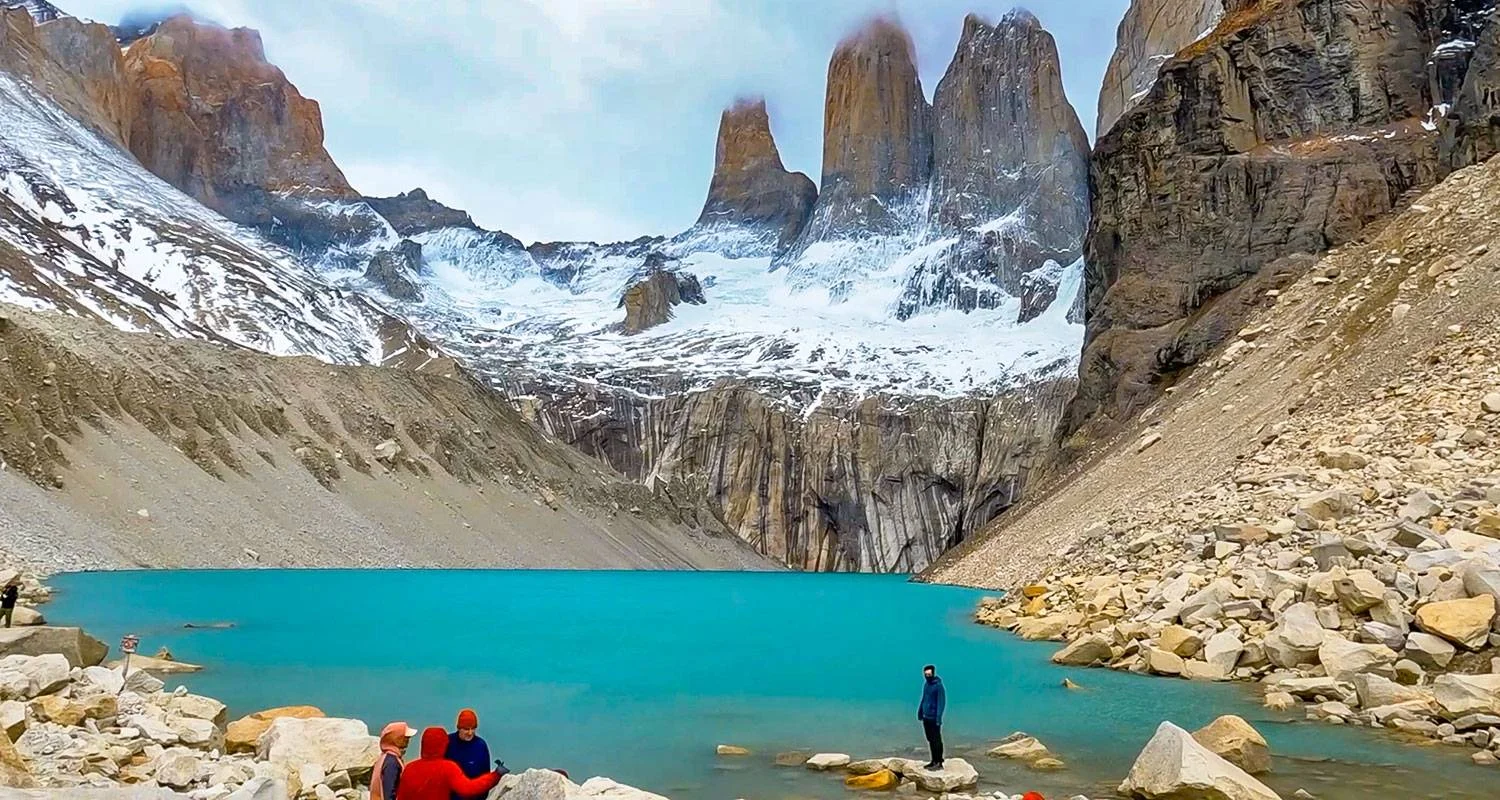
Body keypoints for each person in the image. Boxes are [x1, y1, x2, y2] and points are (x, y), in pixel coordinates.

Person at [396, 726, 502, 800]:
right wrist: (495, 775)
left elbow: (401, 797)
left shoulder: (409, 768)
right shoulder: (447, 768)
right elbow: (468, 788)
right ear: (443, 745)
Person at [445, 708, 498, 799]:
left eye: (473, 728)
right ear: (459, 728)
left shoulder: (481, 746)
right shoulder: (448, 742)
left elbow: (485, 775)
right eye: (466, 729)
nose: (470, 733)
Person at [370, 722, 417, 800]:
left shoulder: (385, 757)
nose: (408, 740)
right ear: (397, 739)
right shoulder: (392, 762)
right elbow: (389, 792)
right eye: (405, 737)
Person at [917, 664, 946, 770]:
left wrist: (938, 717)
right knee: (930, 739)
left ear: (933, 674)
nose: (927, 676)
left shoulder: (938, 686)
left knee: (936, 740)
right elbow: (924, 698)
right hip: (926, 717)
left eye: (929, 674)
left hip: (934, 718)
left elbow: (941, 703)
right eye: (926, 674)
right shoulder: (926, 684)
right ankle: (933, 760)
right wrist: (920, 711)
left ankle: (939, 761)